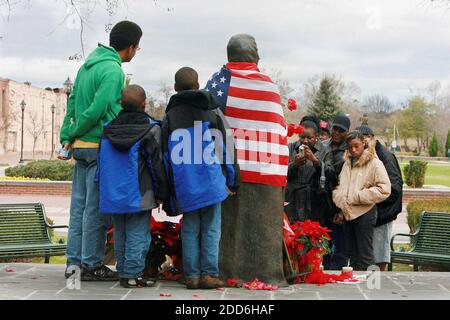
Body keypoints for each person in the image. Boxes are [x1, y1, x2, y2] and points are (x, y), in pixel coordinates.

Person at [59, 20, 143, 280]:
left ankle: (73, 264)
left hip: (80, 148)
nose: (136, 52)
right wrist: (74, 131)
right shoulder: (113, 70)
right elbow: (97, 109)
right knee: (95, 211)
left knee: (78, 208)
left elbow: (72, 103)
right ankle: (91, 264)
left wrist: (67, 135)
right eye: (137, 47)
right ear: (130, 47)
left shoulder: (86, 67)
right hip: (98, 146)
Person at [206, 34, 289, 286]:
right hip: (264, 169)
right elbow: (278, 130)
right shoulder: (268, 86)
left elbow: (208, 127)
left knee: (226, 226)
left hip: (226, 169)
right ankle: (266, 273)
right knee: (261, 226)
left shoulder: (215, 83)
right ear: (253, 54)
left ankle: (224, 272)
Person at [162, 67, 240, 289]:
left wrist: (168, 189)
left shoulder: (169, 117)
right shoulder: (212, 111)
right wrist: (233, 179)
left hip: (185, 184)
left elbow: (164, 156)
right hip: (212, 183)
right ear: (198, 85)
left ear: (175, 88)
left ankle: (192, 276)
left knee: (190, 228)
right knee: (212, 228)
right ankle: (209, 274)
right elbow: (226, 147)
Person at [98, 85, 169, 288]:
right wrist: (162, 191)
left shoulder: (107, 129)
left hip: (113, 193)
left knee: (120, 232)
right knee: (138, 234)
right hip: (140, 192)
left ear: (121, 103)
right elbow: (157, 164)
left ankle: (123, 271)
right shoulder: (150, 129)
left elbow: (101, 163)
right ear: (144, 104)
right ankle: (132, 273)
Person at [332, 130, 391, 271]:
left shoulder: (375, 163)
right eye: (350, 147)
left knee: (365, 254)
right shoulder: (347, 163)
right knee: (352, 253)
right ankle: (356, 286)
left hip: (365, 212)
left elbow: (385, 189)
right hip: (348, 212)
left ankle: (372, 285)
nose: (353, 150)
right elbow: (342, 185)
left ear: (364, 144)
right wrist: (339, 198)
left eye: (356, 146)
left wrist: (358, 196)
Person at [355, 124, 403, 271]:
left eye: (365, 139)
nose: (364, 143)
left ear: (372, 139)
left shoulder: (386, 157)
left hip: (383, 213)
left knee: (378, 256)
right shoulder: (363, 156)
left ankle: (379, 286)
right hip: (368, 214)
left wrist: (370, 200)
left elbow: (394, 189)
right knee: (367, 256)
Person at [284, 116, 335, 226]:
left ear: (316, 136)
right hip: (292, 198)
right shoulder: (290, 148)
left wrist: (315, 161)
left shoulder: (325, 150)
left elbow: (331, 173)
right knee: (293, 233)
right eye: (302, 137)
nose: (305, 141)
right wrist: (295, 164)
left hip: (314, 199)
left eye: (310, 138)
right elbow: (281, 173)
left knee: (312, 234)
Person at [323, 115, 351, 270]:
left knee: (340, 248)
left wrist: (341, 210)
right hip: (322, 203)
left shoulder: (350, 150)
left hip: (338, 204)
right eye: (335, 129)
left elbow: (349, 183)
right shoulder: (322, 145)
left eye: (341, 131)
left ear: (347, 132)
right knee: (322, 246)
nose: (337, 133)